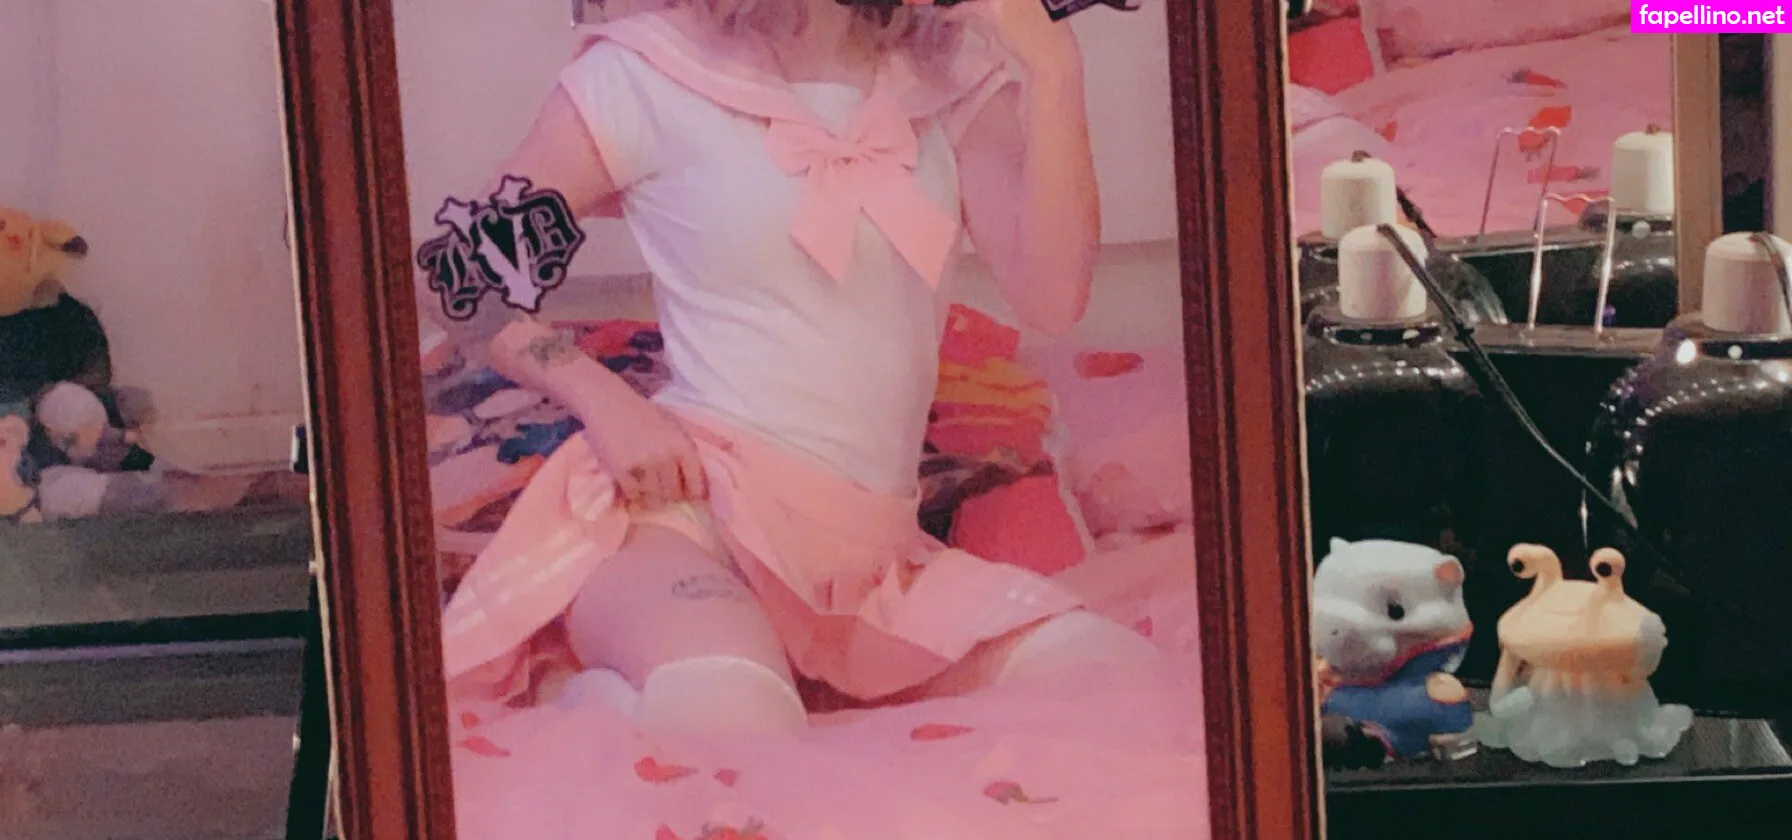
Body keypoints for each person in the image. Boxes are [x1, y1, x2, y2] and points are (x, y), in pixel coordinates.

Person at [428, 0, 1158, 738]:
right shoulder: (645, 74)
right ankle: (578, 693)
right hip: (693, 514)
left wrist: (1053, 69)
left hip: (875, 560)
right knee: (734, 722)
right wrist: (607, 400)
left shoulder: (946, 74)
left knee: (1109, 681)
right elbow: (459, 276)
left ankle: (740, 678)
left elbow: (1052, 298)